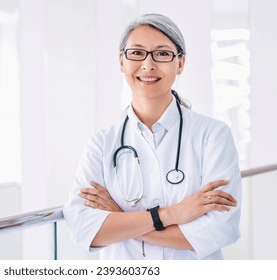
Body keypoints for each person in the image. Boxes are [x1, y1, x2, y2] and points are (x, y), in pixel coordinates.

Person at [62, 13, 241, 260]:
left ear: (180, 63)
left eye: (162, 53)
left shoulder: (213, 135)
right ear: (121, 61)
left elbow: (221, 228)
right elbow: (83, 229)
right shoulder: (101, 143)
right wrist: (170, 215)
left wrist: (122, 220)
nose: (148, 64)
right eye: (136, 53)